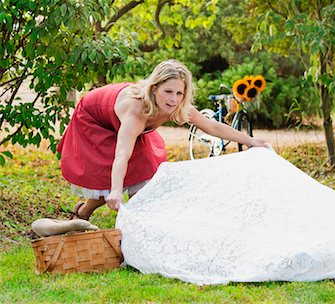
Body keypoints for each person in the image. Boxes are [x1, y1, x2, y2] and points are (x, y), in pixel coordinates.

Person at [56, 59, 269, 220]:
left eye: (179, 93)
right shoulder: (136, 110)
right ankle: (83, 212)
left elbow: (211, 126)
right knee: (109, 182)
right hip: (95, 121)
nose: (173, 99)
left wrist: (252, 141)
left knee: (143, 181)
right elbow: (122, 154)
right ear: (155, 87)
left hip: (130, 125)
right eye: (168, 91)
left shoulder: (177, 105)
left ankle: (137, 226)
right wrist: (115, 190)